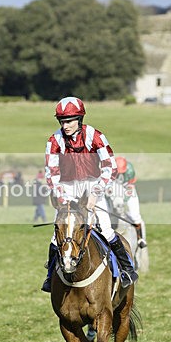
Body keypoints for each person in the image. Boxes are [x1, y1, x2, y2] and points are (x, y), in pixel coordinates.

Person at [41, 96, 138, 292]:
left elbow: (110, 166)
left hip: (93, 185)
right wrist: (62, 198)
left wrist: (95, 193)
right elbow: (51, 172)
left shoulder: (95, 136)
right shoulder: (54, 141)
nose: (65, 125)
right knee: (56, 237)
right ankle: (50, 277)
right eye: (62, 121)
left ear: (79, 119)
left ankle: (127, 270)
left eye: (69, 121)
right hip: (67, 187)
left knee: (107, 231)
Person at [112, 157, 147, 248]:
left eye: (121, 172)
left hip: (128, 187)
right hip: (115, 187)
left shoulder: (130, 170)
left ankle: (140, 238)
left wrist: (124, 200)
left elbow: (130, 188)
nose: (119, 173)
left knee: (135, 215)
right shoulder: (111, 168)